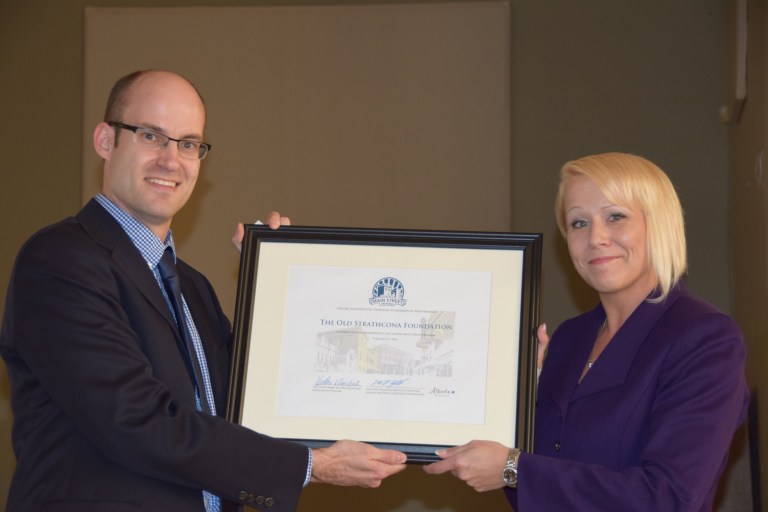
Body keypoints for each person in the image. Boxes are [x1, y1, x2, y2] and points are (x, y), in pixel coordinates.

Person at [0, 69, 406, 512]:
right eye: (151, 135)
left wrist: (274, 284)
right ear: (104, 140)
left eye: (188, 143)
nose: (171, 160)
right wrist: (310, 466)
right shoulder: (61, 261)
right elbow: (136, 422)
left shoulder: (192, 287)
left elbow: (251, 404)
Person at [423, 152, 749, 511]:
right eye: (579, 223)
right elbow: (531, 479)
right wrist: (513, 399)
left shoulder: (704, 338)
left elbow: (669, 498)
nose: (596, 238)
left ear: (659, 224)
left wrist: (514, 469)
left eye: (615, 217)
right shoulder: (567, 340)